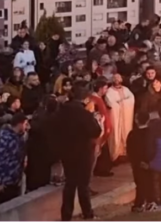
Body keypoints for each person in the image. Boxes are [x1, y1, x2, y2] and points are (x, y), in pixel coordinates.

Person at [54, 83, 101, 222]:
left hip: (66, 152)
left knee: (70, 184)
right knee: (83, 184)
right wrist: (93, 117)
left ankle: (66, 216)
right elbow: (96, 131)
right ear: (85, 99)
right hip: (83, 153)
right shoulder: (84, 114)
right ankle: (87, 213)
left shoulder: (61, 111)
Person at [0, 113, 28, 203]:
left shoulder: (19, 137)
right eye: (25, 124)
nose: (27, 127)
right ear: (20, 124)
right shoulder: (5, 139)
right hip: (6, 181)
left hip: (15, 178)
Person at [104, 73, 135, 162]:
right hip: (116, 117)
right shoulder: (109, 91)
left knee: (126, 132)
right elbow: (111, 103)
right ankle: (116, 154)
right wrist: (122, 103)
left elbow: (131, 99)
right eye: (115, 78)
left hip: (126, 116)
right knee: (116, 134)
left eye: (118, 77)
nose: (117, 79)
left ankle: (125, 153)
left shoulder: (126, 89)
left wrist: (122, 103)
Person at [127, 112, 153, 212]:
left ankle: (139, 203)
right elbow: (153, 148)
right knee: (150, 182)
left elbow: (130, 150)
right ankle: (149, 202)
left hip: (137, 164)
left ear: (136, 120)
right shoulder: (151, 133)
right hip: (149, 163)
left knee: (140, 184)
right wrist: (149, 161)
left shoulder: (132, 134)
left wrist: (136, 162)